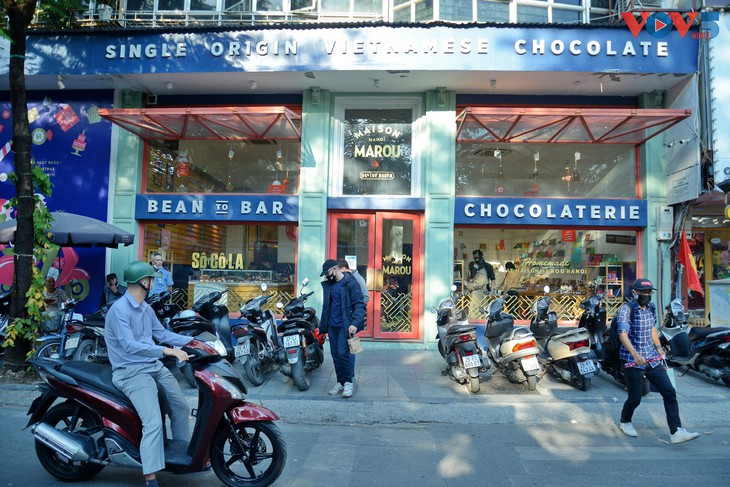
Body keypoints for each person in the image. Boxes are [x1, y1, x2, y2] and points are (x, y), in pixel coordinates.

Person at [105, 261, 194, 487]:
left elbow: (162, 333)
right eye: (152, 279)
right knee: (153, 421)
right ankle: (151, 477)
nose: (154, 282)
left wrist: (194, 342)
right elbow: (129, 345)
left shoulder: (146, 307)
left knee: (180, 406)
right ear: (143, 282)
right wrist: (167, 351)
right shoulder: (119, 310)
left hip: (152, 365)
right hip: (130, 371)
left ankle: (180, 457)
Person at [616, 278, 699, 444]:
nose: (646, 295)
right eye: (643, 292)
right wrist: (635, 354)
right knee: (635, 398)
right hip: (632, 360)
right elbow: (622, 334)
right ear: (635, 293)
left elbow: (652, 328)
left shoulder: (651, 307)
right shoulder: (626, 309)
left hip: (652, 358)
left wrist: (659, 347)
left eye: (649, 292)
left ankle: (676, 431)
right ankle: (625, 421)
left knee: (669, 391)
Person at [320, 258, 366, 399]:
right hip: (332, 325)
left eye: (327, 273)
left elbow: (360, 305)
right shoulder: (330, 285)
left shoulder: (350, 283)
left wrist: (354, 323)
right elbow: (328, 306)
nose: (326, 276)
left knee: (342, 354)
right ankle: (340, 382)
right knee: (335, 355)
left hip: (345, 326)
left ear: (335, 269)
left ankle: (348, 383)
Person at [465, 250, 493, 319]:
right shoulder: (479, 272)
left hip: (479, 294)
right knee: (477, 312)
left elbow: (477, 284)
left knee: (476, 313)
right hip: (478, 294)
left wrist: (467, 284)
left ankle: (476, 323)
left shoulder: (482, 271)